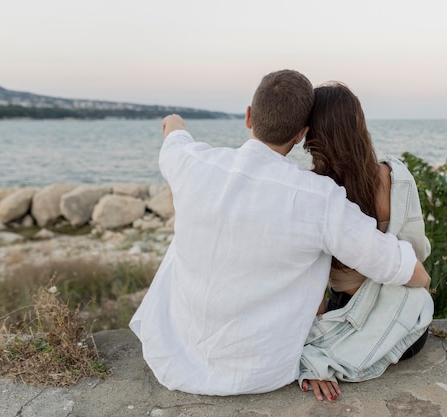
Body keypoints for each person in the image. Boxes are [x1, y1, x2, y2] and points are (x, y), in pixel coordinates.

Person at [129, 69, 431, 397]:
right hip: (261, 371)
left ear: (248, 116)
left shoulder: (194, 163)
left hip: (173, 354)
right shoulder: (319, 197)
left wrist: (174, 121)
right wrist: (422, 283)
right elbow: (405, 269)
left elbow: (173, 136)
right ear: (301, 134)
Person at [299, 81, 434, 401]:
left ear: (313, 135)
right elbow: (417, 252)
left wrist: (315, 343)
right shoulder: (398, 178)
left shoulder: (318, 194)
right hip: (409, 329)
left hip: (349, 321)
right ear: (359, 125)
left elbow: (313, 283)